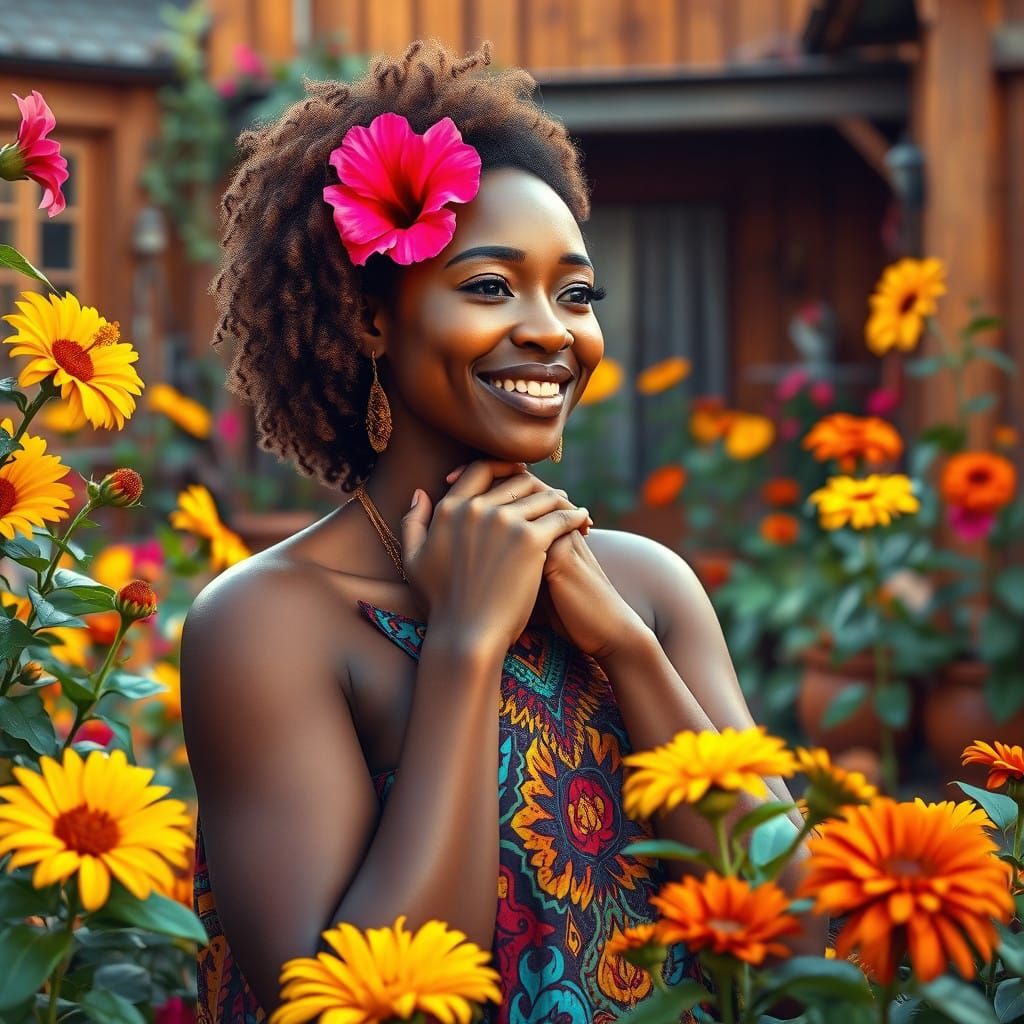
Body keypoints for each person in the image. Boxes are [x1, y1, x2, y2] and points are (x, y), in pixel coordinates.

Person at [181, 39, 811, 1024]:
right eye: (488, 287)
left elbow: (799, 929)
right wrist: (466, 647)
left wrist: (626, 650)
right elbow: (360, 1009)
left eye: (575, 293)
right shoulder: (266, 624)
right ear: (368, 316)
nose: (554, 330)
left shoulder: (643, 585)